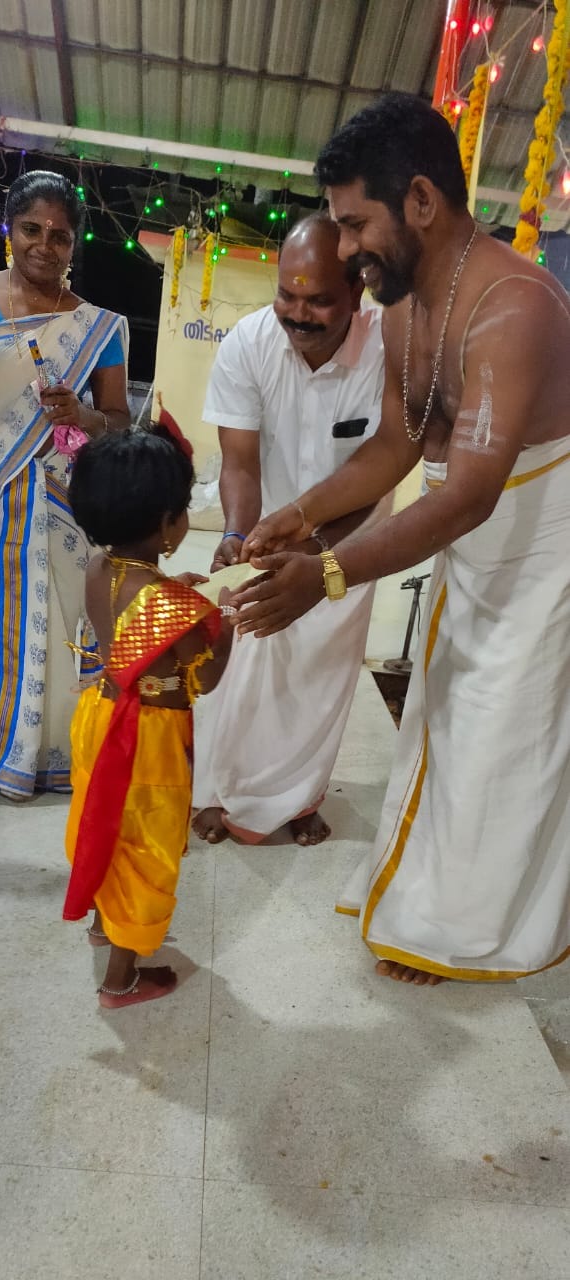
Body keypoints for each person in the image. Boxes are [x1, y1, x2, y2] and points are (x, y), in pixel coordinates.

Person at [232, 92, 570, 985]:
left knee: (506, 722)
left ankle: (467, 927)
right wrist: (299, 515)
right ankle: (428, 884)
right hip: (474, 536)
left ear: (421, 199)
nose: (344, 251)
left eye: (354, 225)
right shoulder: (409, 308)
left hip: (541, 540)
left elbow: (465, 495)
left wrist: (329, 574)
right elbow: (397, 444)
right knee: (446, 705)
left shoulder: (515, 306)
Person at [192, 213, 386, 846]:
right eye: (287, 295)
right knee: (242, 657)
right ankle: (221, 791)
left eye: (319, 300)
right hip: (267, 534)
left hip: (351, 542)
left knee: (318, 674)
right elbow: (240, 461)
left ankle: (299, 799)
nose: (298, 314)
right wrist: (239, 534)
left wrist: (316, 546)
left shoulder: (388, 352)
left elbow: (379, 473)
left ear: (357, 290)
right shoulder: (248, 344)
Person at [63, 424, 234, 1008]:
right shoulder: (181, 608)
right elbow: (205, 681)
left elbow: (135, 614)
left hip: (100, 717)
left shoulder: (95, 565)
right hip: (148, 742)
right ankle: (120, 978)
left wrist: (171, 595)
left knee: (104, 821)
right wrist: (224, 627)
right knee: (145, 845)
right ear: (167, 525)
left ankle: (99, 919)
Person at [0, 170, 130, 800]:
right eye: (31, 230)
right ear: (8, 232)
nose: (45, 245)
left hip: (62, 501)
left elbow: (119, 421)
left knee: (60, 624)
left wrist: (82, 416)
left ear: (75, 246)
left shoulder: (100, 326)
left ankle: (49, 756)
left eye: (60, 236)